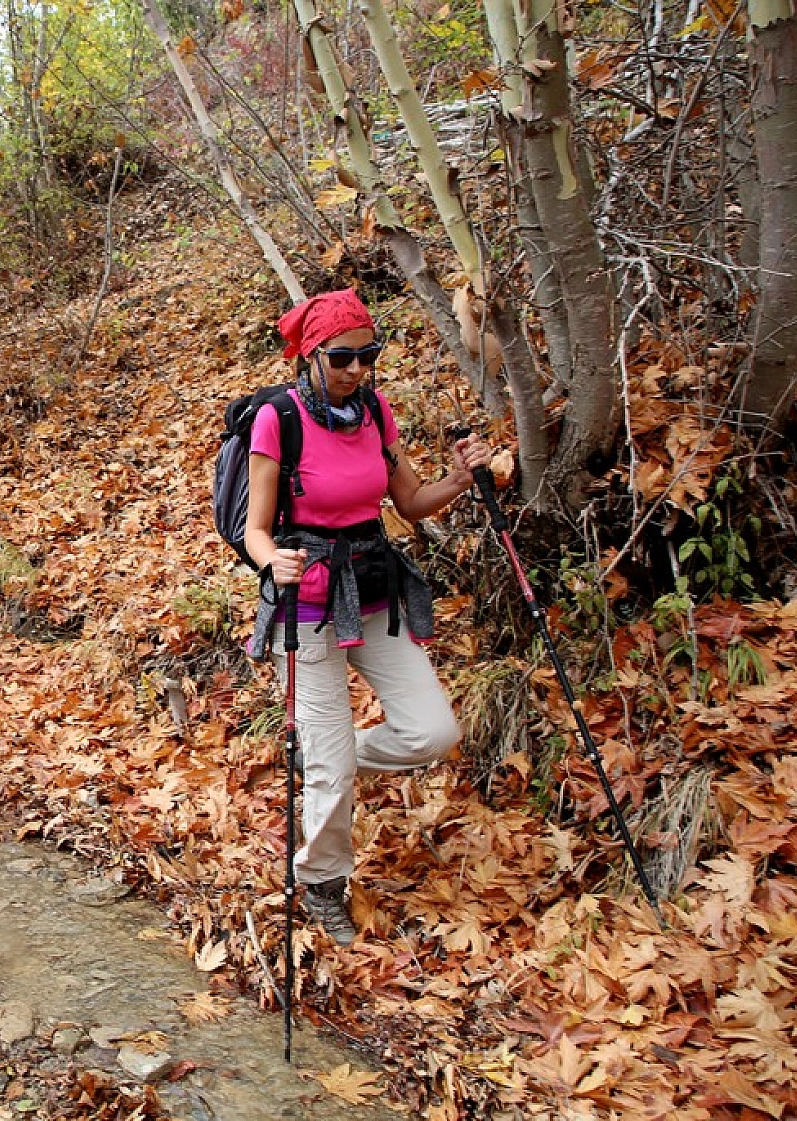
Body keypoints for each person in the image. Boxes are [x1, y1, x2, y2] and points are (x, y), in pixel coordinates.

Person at [243, 288, 492, 947]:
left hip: (373, 594)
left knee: (432, 731)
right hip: (307, 606)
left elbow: (410, 502)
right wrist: (272, 562)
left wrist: (461, 479)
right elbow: (255, 528)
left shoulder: (376, 411)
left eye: (368, 354)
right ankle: (322, 881)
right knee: (330, 767)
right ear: (311, 355)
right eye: (342, 357)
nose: (357, 369)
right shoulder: (277, 419)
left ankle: (328, 761)